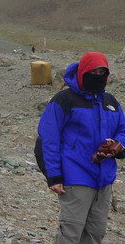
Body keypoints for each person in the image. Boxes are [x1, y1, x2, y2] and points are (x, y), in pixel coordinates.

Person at [35, 52, 125, 243]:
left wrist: (118, 145)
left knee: (95, 234)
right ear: (83, 72)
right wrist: (54, 176)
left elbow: (123, 129)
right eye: (93, 72)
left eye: (102, 72)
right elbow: (47, 140)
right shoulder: (64, 100)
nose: (98, 76)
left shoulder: (111, 102)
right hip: (75, 177)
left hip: (104, 180)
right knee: (70, 233)